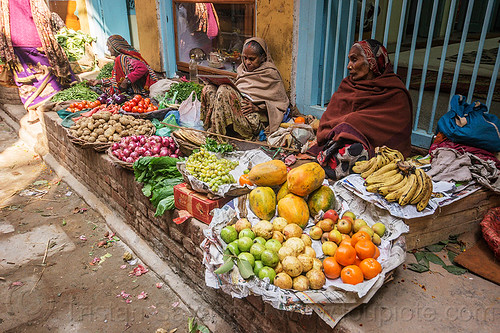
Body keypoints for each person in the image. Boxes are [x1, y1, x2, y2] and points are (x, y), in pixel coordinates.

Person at [316, 39, 413, 179]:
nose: (349, 66)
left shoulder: (394, 91)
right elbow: (329, 120)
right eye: (349, 61)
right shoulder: (347, 85)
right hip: (343, 139)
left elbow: (396, 128)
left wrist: (352, 123)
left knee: (355, 150)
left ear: (372, 62)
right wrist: (345, 128)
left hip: (377, 149)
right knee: (343, 147)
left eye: (354, 60)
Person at [200, 37, 289, 140]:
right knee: (209, 89)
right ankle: (212, 129)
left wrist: (258, 107)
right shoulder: (242, 69)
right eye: (244, 58)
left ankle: (217, 138)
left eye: (252, 59)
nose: (247, 62)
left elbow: (281, 104)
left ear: (263, 57)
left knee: (224, 90)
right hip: (238, 114)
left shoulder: (270, 73)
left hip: (252, 121)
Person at [0, 0, 76, 120]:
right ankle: (53, 102)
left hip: (13, 38)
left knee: (24, 75)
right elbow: (43, 13)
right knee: (48, 68)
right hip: (34, 35)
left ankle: (32, 110)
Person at [88, 35, 158, 96]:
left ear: (114, 47)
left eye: (108, 46)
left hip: (140, 90)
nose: (108, 48)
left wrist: (126, 81)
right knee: (106, 88)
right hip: (134, 88)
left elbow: (142, 68)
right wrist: (100, 81)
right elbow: (116, 80)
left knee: (109, 90)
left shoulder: (124, 58)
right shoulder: (121, 59)